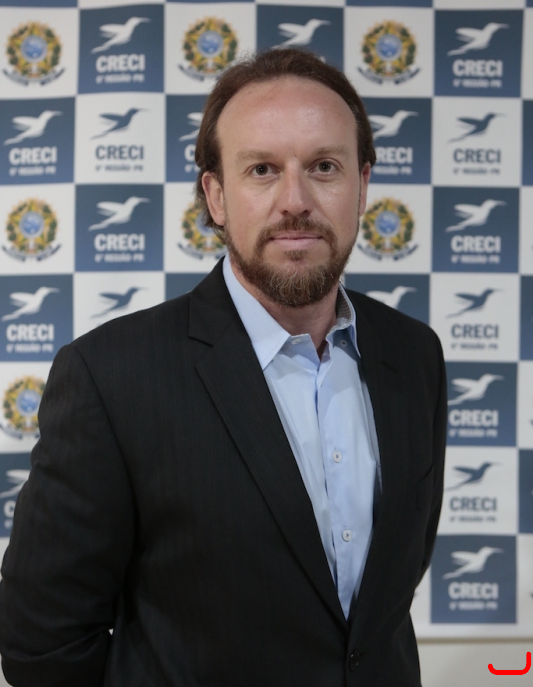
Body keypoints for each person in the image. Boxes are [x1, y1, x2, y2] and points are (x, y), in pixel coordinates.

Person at [0, 49, 447, 687]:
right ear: (216, 196)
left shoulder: (414, 354)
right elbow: (42, 644)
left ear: (363, 185)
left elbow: (383, 604)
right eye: (262, 170)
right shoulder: (111, 376)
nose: (296, 201)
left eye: (324, 166)